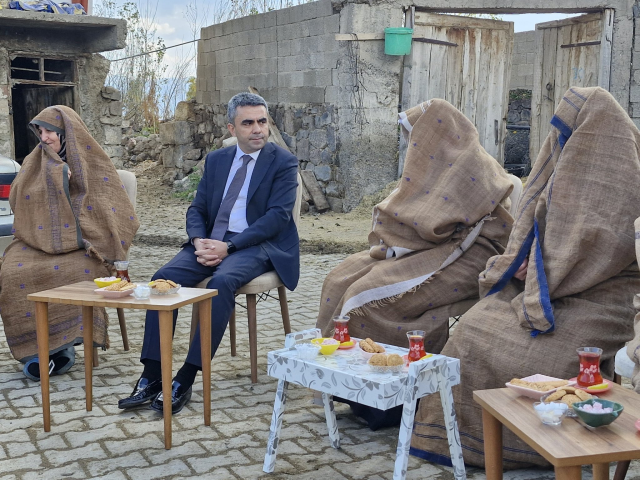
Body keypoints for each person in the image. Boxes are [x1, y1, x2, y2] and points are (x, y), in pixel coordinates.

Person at [410, 87, 640, 469]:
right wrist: (523, 261)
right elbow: (535, 220)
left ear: (593, 135)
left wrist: (539, 268)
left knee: (547, 354)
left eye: (569, 134)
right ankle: (455, 438)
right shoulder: (565, 164)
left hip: (604, 293)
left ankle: (548, 447)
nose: (559, 142)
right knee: (471, 332)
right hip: (547, 284)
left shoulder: (621, 177)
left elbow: (594, 250)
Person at [118, 92, 299, 414]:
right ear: (232, 128)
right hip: (211, 240)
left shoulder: (282, 161)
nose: (258, 129)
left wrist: (229, 246)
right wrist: (199, 239)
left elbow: (277, 217)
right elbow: (197, 207)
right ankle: (152, 374)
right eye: (248, 123)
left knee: (222, 282)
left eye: (262, 121)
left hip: (258, 245)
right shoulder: (217, 161)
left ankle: (185, 378)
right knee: (163, 280)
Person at [316, 99, 515, 355]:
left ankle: (392, 372)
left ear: (434, 135)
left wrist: (401, 235)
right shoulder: (432, 164)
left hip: (473, 254)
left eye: (416, 136)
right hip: (430, 248)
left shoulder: (473, 167)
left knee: (365, 293)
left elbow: (434, 226)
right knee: (338, 278)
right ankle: (332, 365)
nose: (413, 145)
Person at [0, 105, 139, 381]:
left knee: (77, 274)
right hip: (35, 243)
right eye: (40, 131)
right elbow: (18, 198)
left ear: (67, 133)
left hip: (82, 246)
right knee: (13, 273)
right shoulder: (34, 160)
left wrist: (71, 183)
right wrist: (54, 178)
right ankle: (35, 353)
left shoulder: (93, 162)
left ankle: (64, 349)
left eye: (50, 131)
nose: (45, 137)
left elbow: (112, 206)